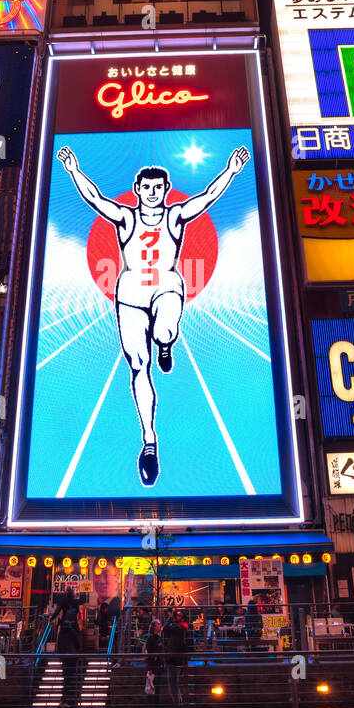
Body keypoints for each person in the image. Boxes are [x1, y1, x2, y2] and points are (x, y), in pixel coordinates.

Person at [58, 142, 250, 486]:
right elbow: (96, 199)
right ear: (137, 190)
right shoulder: (125, 217)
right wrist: (74, 170)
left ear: (164, 190)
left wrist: (231, 171)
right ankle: (149, 441)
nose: (151, 192)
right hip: (130, 293)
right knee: (138, 366)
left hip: (166, 286)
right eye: (146, 187)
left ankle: (165, 341)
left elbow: (206, 198)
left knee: (163, 330)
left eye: (158, 187)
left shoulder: (175, 216)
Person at [51, 589, 83, 708]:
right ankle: (65, 701)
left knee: (66, 677)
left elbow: (58, 611)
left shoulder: (63, 602)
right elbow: (77, 642)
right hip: (71, 654)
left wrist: (51, 618)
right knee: (69, 677)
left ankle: (64, 700)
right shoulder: (74, 604)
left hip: (64, 654)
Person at [161, 610, 190, 708]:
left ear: (182, 618)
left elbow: (165, 628)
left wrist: (170, 618)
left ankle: (178, 707)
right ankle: (179, 706)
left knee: (173, 685)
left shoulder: (180, 628)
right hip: (175, 659)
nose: (176, 616)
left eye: (178, 615)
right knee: (174, 684)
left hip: (174, 659)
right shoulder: (180, 627)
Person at [144, 617, 165, 708]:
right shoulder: (151, 639)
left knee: (157, 688)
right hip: (153, 666)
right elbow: (150, 653)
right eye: (158, 624)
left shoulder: (159, 638)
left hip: (158, 665)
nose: (160, 625)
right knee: (152, 688)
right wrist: (150, 668)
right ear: (154, 627)